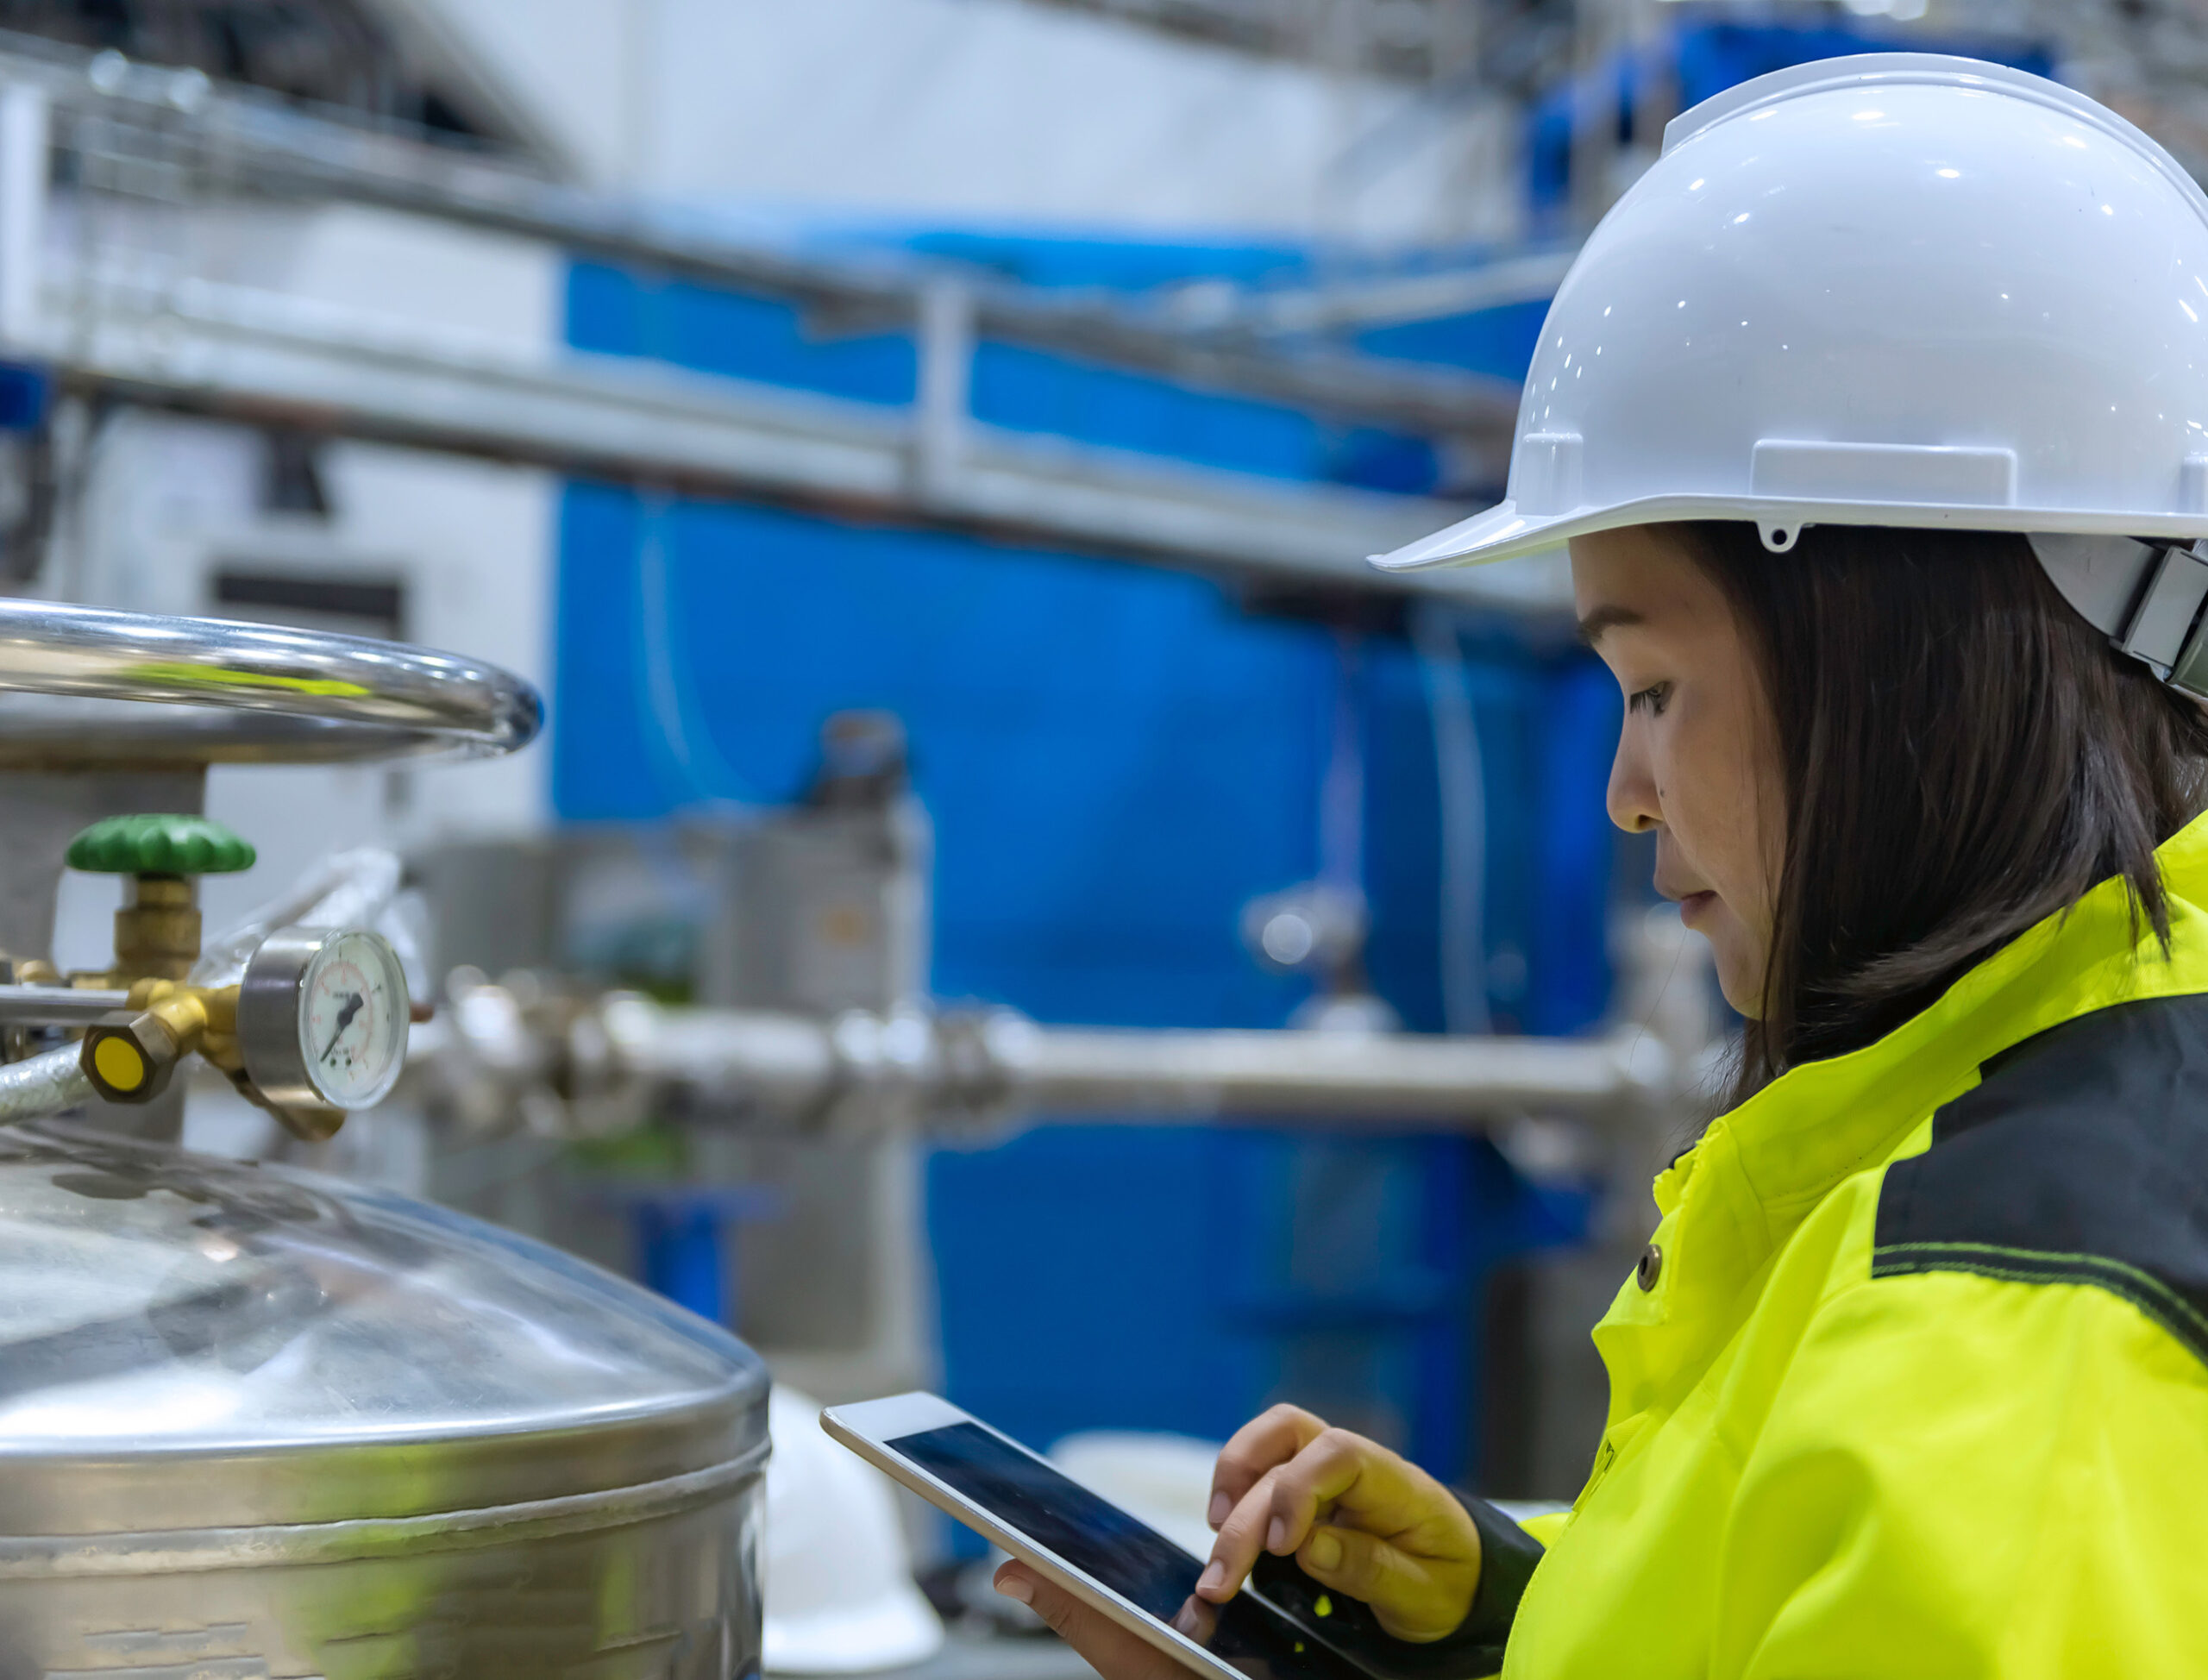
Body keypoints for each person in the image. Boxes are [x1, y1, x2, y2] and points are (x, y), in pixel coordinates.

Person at [995, 54, 2208, 1679]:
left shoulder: (2003, 1318)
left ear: (1892, 659)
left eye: (1652, 688)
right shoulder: (2075, 1099)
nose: (1631, 797)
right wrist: (1500, 1606)